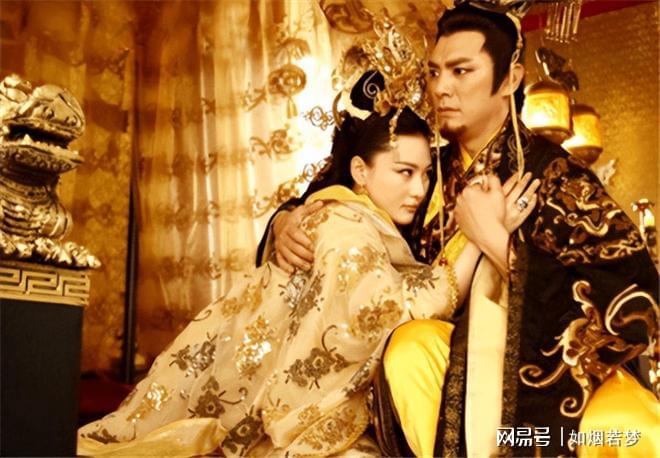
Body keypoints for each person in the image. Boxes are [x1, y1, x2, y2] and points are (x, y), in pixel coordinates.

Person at [266, 3, 659, 457]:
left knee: (629, 428)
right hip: (439, 376)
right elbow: (336, 187)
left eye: (461, 71)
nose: (441, 87)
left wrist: (498, 246)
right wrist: (286, 221)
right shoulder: (420, 169)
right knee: (410, 346)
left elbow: (638, 304)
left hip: (551, 377)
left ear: (509, 79)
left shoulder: (553, 178)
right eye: (435, 72)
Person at [77, 93, 536, 456]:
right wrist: (478, 239)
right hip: (288, 408)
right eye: (404, 172)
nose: (419, 189)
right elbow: (377, 313)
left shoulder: (358, 214)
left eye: (424, 174)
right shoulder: (344, 223)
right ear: (360, 170)